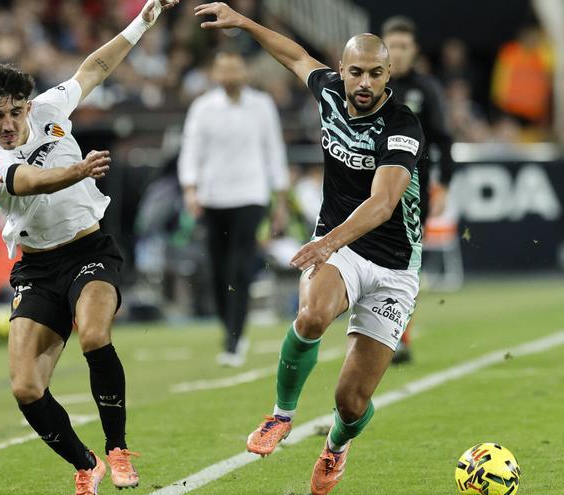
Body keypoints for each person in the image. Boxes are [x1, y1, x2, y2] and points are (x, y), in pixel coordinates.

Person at [195, 4, 427, 494]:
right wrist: (242, 22)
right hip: (342, 250)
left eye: (376, 73)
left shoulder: (403, 126)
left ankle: (336, 449)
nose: (365, 82)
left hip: (392, 265)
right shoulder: (327, 92)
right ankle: (280, 416)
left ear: (389, 75)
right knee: (313, 315)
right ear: (342, 70)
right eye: (356, 71)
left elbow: (383, 203)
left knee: (351, 401)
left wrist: (326, 241)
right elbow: (293, 54)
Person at [0, 1, 177, 493]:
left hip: (89, 251)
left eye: (16, 111)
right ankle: (86, 464)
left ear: (28, 103)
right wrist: (76, 172)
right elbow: (27, 181)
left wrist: (144, 18)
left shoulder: (51, 108)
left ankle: (118, 449)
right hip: (37, 269)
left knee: (95, 336)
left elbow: (95, 66)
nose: (9, 124)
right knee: (25, 388)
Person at [178, 49, 290, 367]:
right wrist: (190, 189)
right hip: (213, 197)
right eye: (223, 70)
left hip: (251, 195)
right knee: (217, 269)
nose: (229, 76)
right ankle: (229, 329)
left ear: (244, 73)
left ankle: (234, 339)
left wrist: (280, 199)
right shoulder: (202, 108)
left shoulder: (262, 106)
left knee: (239, 267)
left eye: (234, 69)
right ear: (215, 75)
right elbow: (191, 149)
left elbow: (274, 151)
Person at [382, 16, 457, 365]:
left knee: (405, 265)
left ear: (414, 51)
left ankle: (399, 338)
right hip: (368, 191)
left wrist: (442, 184)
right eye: (392, 46)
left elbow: (444, 139)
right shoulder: (367, 85)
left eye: (403, 46)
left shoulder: (425, 89)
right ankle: (378, 333)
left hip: (414, 191)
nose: (397, 53)